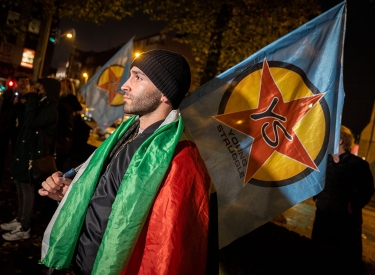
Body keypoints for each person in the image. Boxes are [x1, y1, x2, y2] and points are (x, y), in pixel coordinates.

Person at [38, 50, 218, 275]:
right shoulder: (127, 132)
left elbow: (165, 253)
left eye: (138, 77)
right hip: (81, 263)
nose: (124, 85)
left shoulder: (180, 159)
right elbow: (110, 198)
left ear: (165, 92)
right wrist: (71, 191)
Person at [1, 78, 60, 241]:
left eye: (40, 87)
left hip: (34, 157)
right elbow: (23, 120)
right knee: (20, 184)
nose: (37, 89)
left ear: (48, 89)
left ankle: (25, 227)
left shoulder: (51, 110)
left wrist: (32, 99)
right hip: (25, 152)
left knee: (27, 189)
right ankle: (20, 219)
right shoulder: (41, 104)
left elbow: (31, 122)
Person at [311, 126, 374, 263]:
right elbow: (315, 182)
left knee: (342, 261)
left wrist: (352, 206)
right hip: (322, 220)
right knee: (318, 258)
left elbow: (367, 190)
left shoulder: (358, 165)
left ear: (340, 141)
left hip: (346, 224)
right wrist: (317, 199)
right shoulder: (323, 163)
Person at [0, 72, 30, 184]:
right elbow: (3, 110)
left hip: (19, 130)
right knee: (2, 150)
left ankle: (13, 174)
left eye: (26, 81)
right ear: (17, 82)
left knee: (16, 152)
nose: (24, 83)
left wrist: (21, 106)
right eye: (22, 81)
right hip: (6, 127)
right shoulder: (8, 94)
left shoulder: (29, 96)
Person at [55, 78, 86, 172]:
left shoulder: (62, 105)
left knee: (55, 169)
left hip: (60, 141)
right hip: (68, 143)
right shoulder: (74, 105)